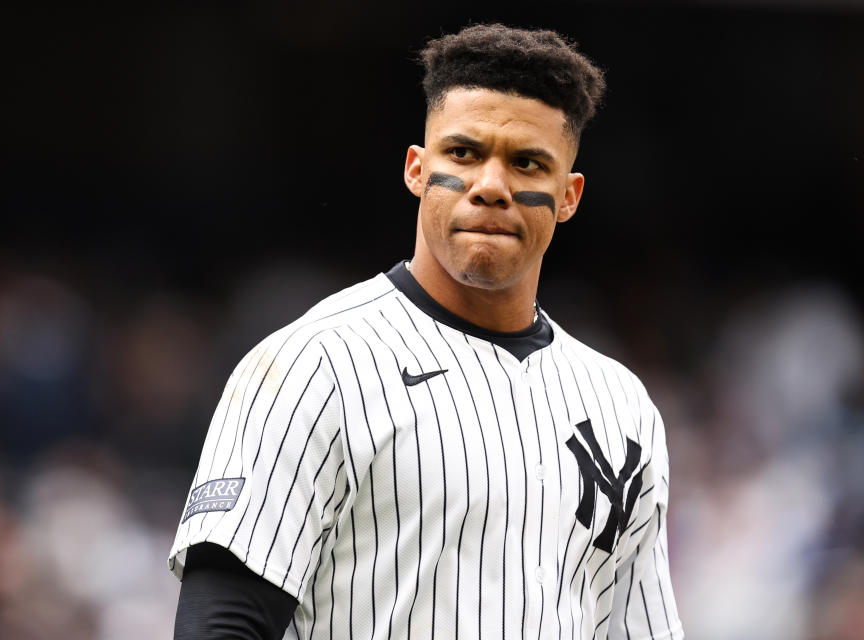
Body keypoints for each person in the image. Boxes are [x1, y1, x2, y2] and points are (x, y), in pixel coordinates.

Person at [169, 23, 683, 640]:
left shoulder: (620, 404)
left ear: (568, 195)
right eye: (464, 153)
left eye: (527, 163)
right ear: (417, 169)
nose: (491, 187)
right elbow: (222, 624)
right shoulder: (313, 364)